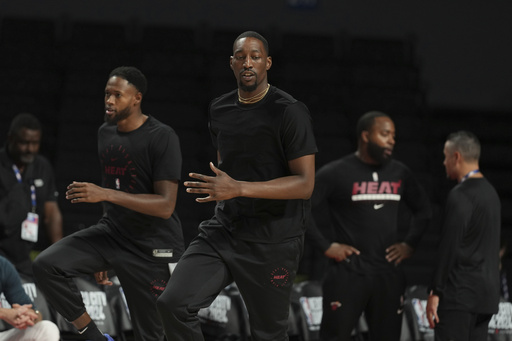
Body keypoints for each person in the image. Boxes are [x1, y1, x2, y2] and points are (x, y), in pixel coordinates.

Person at [157, 31, 317, 341]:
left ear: (267, 63)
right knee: (173, 303)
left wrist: (239, 188)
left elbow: (305, 184)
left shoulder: (290, 111)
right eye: (240, 57)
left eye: (255, 56)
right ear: (231, 64)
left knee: (268, 334)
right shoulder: (219, 108)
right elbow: (226, 166)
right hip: (225, 229)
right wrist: (225, 190)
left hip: (274, 239)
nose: (248, 62)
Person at [32, 66, 184, 341]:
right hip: (113, 235)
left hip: (153, 247)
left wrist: (105, 194)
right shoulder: (106, 132)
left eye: (117, 95)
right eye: (106, 94)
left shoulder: (162, 137)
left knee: (154, 335)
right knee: (46, 265)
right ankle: (93, 336)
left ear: (137, 98)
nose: (109, 101)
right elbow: (115, 189)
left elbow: (165, 206)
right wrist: (104, 252)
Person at [307, 111, 432, 340]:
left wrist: (410, 244)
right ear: (365, 136)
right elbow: (300, 209)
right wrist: (325, 246)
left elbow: (424, 211)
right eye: (385, 134)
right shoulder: (336, 172)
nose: (392, 140)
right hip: (348, 274)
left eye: (393, 135)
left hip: (388, 276)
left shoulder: (400, 173)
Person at [426, 131, 501, 341]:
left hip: (459, 296)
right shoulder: (491, 193)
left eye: (445, 156)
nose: (443, 162)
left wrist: (435, 291)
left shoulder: (460, 194)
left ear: (456, 157)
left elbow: (449, 246)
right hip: (485, 298)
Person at [0, 113, 63, 277]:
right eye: (24, 143)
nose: (30, 149)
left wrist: (59, 252)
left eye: (35, 143)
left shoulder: (42, 167)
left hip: (24, 259)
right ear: (10, 138)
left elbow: (51, 212)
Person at [0, 255, 60, 340]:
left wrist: (28, 316)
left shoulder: (3, 265)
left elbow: (34, 311)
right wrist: (4, 313)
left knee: (47, 328)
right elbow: (6, 313)